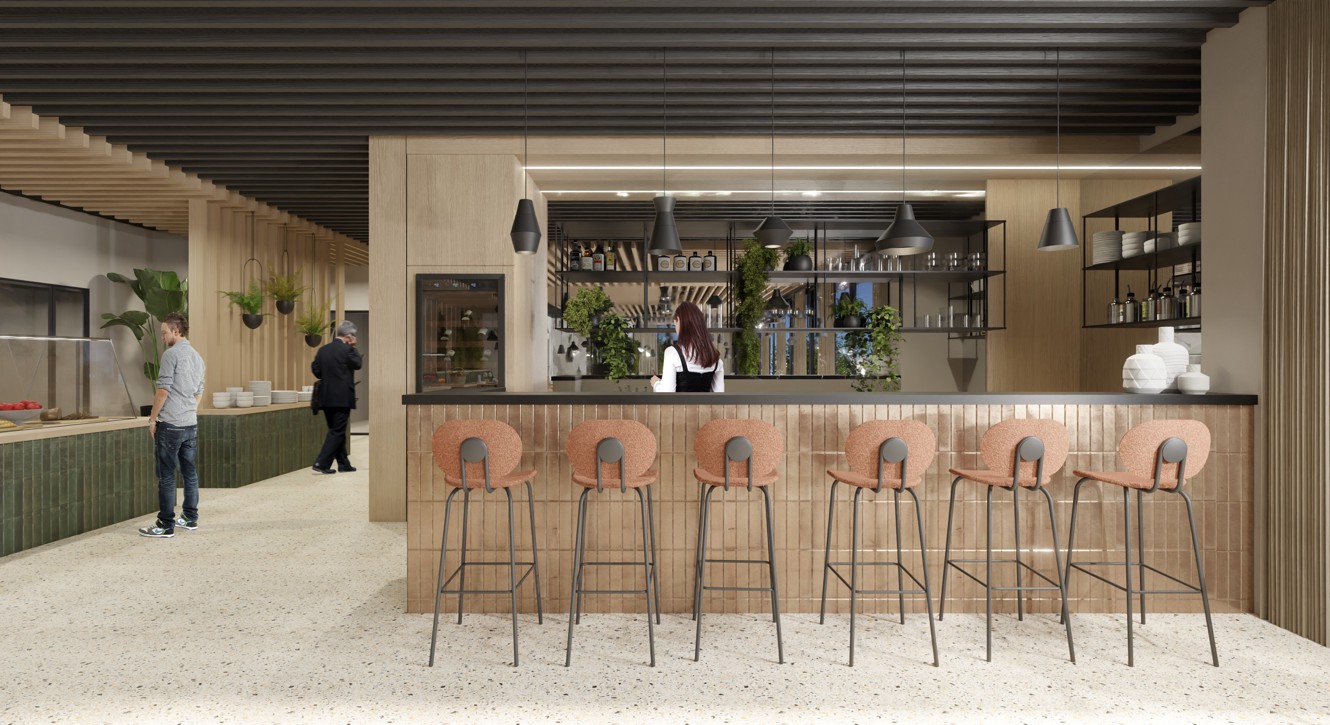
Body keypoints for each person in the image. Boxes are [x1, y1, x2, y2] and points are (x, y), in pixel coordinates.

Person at [138, 312, 206, 538]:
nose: (162, 337)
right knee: (190, 473)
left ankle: (165, 524)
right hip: (190, 424)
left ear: (177, 331)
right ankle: (189, 518)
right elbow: (199, 391)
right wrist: (189, 411)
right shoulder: (197, 357)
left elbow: (163, 390)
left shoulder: (171, 354)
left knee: (167, 476)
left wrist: (153, 418)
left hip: (171, 425)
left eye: (164, 332)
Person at [312, 320, 362, 474]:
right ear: (349, 336)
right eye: (353, 337)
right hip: (342, 398)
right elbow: (358, 364)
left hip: (326, 397)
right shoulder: (347, 350)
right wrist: (353, 348)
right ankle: (321, 463)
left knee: (336, 430)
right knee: (337, 431)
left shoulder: (323, 350)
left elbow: (316, 370)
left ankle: (343, 464)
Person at [651, 301, 725, 392]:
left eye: (675, 323)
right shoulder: (715, 358)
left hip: (680, 407)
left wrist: (656, 383)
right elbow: (719, 397)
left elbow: (667, 394)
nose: (676, 328)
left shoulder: (672, 353)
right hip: (705, 406)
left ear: (678, 320)